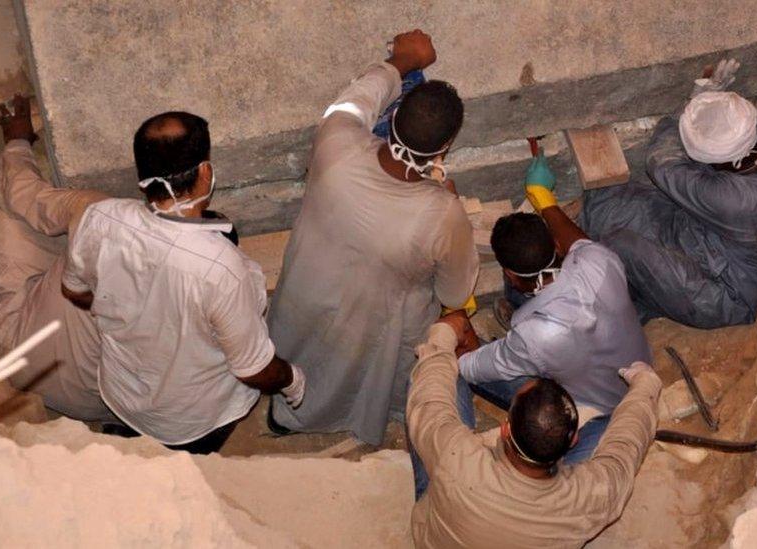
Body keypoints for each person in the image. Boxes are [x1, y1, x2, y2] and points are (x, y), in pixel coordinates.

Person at [266, 30, 479, 445]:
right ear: (445, 149)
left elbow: (354, 99)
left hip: (307, 295)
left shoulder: (336, 141)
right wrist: (444, 196)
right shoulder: (442, 214)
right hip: (376, 321)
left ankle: (286, 418)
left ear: (389, 120)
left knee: (304, 355)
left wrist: (403, 60)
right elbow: (455, 293)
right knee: (364, 372)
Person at [60, 111, 305, 454]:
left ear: (142, 176)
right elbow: (254, 370)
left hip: (123, 395)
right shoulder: (221, 269)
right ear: (206, 173)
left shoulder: (98, 218)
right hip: (190, 421)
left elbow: (74, 290)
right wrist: (293, 380)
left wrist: (135, 304)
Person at [581, 59, 757, 328]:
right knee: (602, 203)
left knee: (619, 244)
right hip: (723, 242)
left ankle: (633, 306)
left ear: (712, 162)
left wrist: (691, 103)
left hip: (729, 294)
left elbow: (662, 161)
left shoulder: (725, 197)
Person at [457, 153, 652, 465]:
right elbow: (576, 241)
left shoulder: (534, 335)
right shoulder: (600, 261)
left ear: (509, 274)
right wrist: (544, 199)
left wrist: (456, 343)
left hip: (596, 410)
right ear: (555, 246)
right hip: (635, 373)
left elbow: (475, 368)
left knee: (469, 367)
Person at [407, 311, 662, 548]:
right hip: (548, 499)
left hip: (444, 526)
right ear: (573, 440)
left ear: (505, 429)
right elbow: (626, 446)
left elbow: (428, 397)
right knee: (607, 421)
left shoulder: (456, 458)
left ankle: (471, 364)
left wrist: (444, 334)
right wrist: (645, 386)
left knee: (432, 383)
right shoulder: (589, 498)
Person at [0, 93, 115, 423]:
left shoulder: (98, 213)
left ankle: (5, 170)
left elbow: (25, 193)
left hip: (22, 356)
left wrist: (17, 142)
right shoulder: (187, 288)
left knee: (7, 216)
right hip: (101, 404)